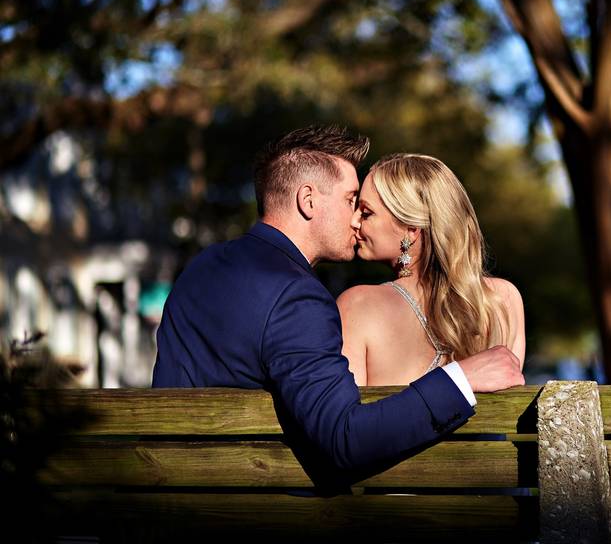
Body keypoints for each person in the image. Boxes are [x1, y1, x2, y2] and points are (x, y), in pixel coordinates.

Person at [152, 125, 524, 472]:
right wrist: (459, 378)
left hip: (170, 497)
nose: (355, 221)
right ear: (308, 201)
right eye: (351, 201)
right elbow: (344, 438)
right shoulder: (298, 298)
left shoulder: (199, 271)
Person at [337, 154, 525, 386]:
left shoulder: (357, 305)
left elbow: (348, 420)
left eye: (366, 213)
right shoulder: (502, 300)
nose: (354, 221)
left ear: (411, 229)